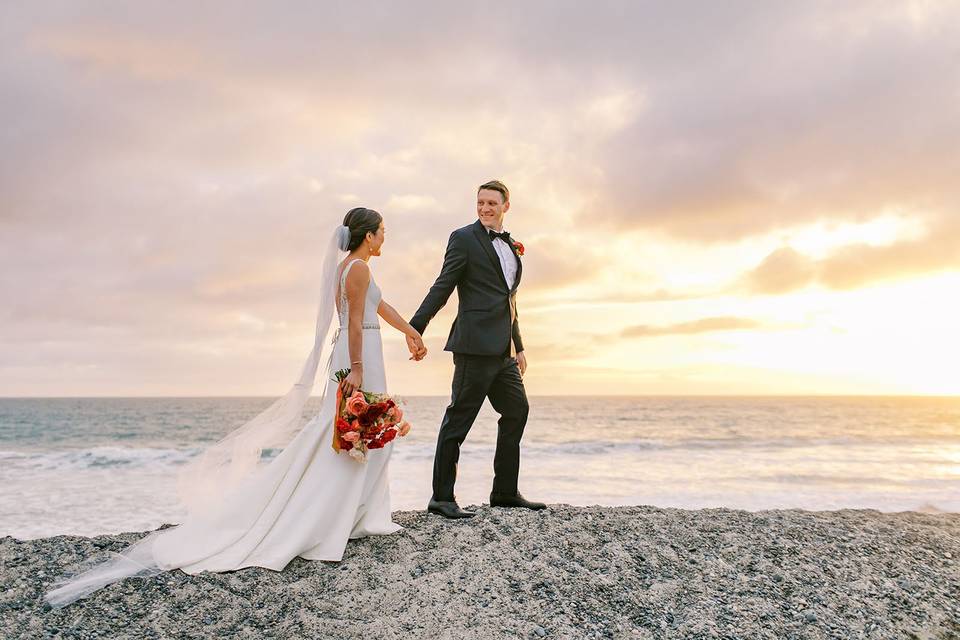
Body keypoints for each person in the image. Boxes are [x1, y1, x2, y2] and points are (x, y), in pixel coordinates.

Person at [44, 207, 427, 608]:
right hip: (360, 354)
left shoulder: (352, 268)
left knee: (352, 434)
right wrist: (359, 369)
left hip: (360, 351)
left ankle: (354, 513)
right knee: (353, 433)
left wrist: (410, 330)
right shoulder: (358, 270)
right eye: (382, 232)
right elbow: (352, 323)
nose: (385, 237)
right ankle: (338, 516)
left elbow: (376, 308)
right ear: (368, 236)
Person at [410, 180, 546, 519]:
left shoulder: (512, 246)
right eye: (480, 203)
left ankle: (504, 492)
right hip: (473, 347)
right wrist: (416, 327)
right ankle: (441, 498)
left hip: (503, 352)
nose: (485, 208)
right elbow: (443, 284)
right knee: (458, 420)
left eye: (491, 203)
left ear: (505, 206)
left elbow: (509, 300)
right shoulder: (464, 238)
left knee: (517, 411)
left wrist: (519, 345)